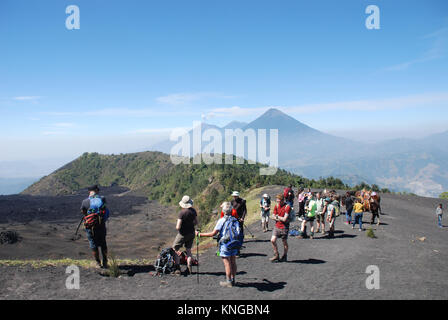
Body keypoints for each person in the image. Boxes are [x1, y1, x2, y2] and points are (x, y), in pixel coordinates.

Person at [196, 202, 239, 288]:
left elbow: (213, 233)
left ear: (223, 211)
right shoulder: (235, 220)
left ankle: (228, 282)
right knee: (233, 261)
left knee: (227, 263)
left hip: (225, 244)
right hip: (234, 243)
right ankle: (233, 279)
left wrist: (200, 234)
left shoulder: (221, 220)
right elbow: (238, 232)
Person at [80, 185, 109, 268]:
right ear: (96, 190)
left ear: (89, 191)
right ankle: (105, 262)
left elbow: (83, 212)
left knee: (93, 244)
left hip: (90, 226)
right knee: (103, 243)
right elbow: (104, 209)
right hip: (101, 225)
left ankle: (97, 263)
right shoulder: (102, 198)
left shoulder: (85, 201)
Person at [172, 195, 198, 275]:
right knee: (188, 250)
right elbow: (196, 222)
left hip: (182, 234)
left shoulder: (182, 213)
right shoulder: (193, 211)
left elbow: (178, 227)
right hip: (191, 233)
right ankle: (189, 268)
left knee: (175, 249)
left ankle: (177, 268)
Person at [270, 194, 291, 262]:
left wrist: (277, 217)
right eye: (277, 200)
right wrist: (278, 218)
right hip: (277, 226)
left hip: (284, 227)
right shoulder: (276, 206)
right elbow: (272, 216)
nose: (277, 201)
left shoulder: (287, 207)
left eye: (279, 200)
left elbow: (285, 219)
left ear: (282, 200)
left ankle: (285, 255)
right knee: (272, 240)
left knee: (284, 242)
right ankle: (276, 255)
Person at [231, 191, 247, 256]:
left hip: (240, 219)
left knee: (240, 233)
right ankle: (236, 249)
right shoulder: (232, 202)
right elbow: (231, 209)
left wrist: (242, 218)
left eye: (235, 196)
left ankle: (238, 248)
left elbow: (244, 211)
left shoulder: (242, 201)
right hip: (233, 219)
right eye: (234, 196)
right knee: (234, 234)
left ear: (238, 196)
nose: (234, 197)